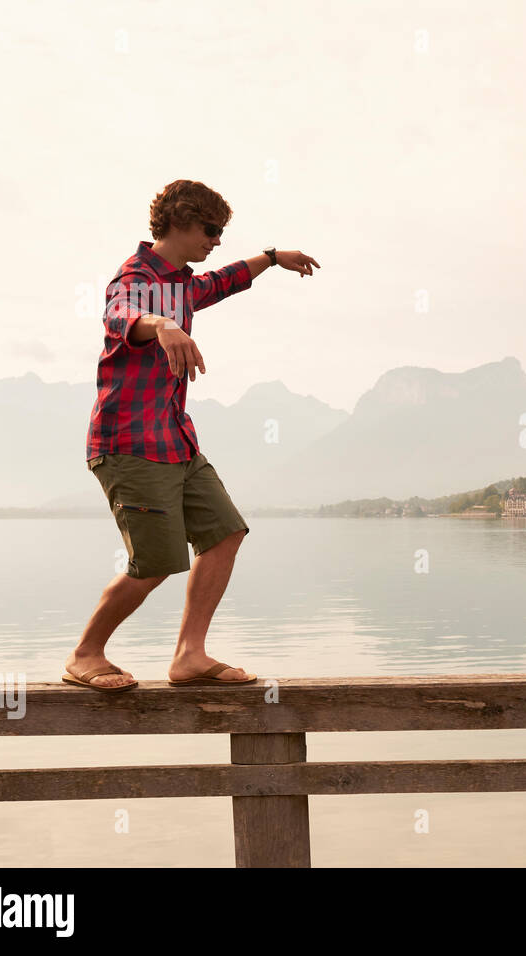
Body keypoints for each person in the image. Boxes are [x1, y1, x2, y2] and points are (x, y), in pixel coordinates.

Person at [64, 180, 321, 692]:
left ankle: (189, 655)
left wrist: (271, 257)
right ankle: (85, 654)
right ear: (181, 219)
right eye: (212, 229)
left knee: (225, 532)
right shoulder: (134, 277)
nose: (218, 241)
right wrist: (161, 324)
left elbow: (222, 280)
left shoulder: (183, 284)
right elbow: (121, 314)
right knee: (156, 561)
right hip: (130, 445)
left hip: (178, 441)